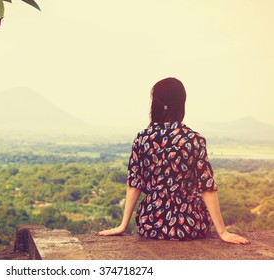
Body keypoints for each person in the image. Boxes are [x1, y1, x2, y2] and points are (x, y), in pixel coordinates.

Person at [98, 77, 250, 244]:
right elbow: (207, 186)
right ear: (181, 103)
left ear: (155, 103)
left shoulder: (142, 138)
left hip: (151, 224)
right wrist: (223, 232)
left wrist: (122, 225)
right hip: (191, 226)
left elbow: (134, 184)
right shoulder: (193, 139)